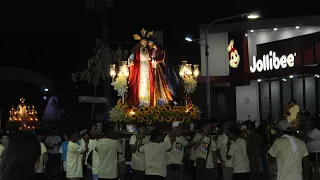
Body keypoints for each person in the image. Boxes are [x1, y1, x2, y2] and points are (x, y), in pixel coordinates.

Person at [128, 28, 154, 107]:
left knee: (147, 84)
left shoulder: (150, 50)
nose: (144, 43)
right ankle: (140, 101)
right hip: (140, 69)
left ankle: (148, 102)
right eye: (143, 41)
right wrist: (131, 61)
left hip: (148, 69)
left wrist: (153, 61)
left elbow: (153, 57)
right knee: (140, 84)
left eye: (146, 42)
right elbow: (131, 58)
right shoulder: (136, 51)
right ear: (140, 42)